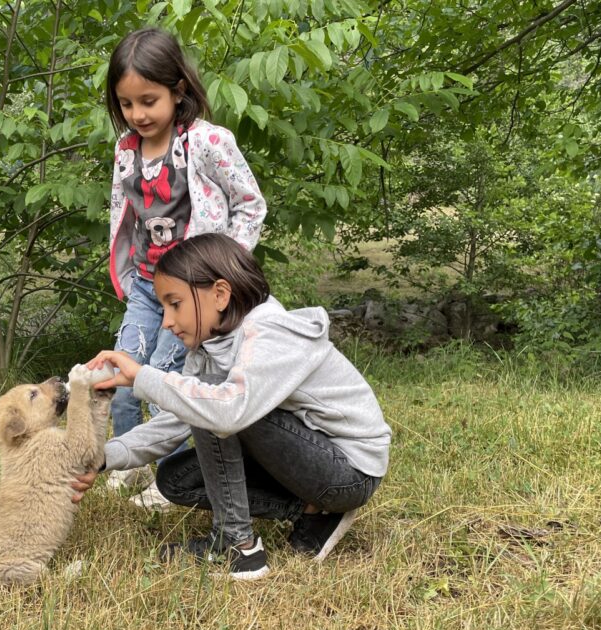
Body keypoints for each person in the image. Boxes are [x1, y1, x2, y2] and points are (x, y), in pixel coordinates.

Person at [76, 234, 391, 581]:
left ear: (221, 295)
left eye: (174, 303)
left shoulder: (270, 331)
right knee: (175, 480)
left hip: (349, 473)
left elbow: (227, 413)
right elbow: (175, 422)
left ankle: (238, 547)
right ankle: (314, 512)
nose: (166, 320)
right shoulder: (209, 348)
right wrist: (101, 457)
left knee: (215, 406)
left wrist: (143, 377)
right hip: (307, 461)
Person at [102, 27, 267, 510]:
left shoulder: (209, 141)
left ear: (178, 89)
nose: (138, 114)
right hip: (145, 286)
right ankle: (131, 464)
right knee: (124, 375)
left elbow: (250, 204)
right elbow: (124, 213)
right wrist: (126, 272)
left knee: (170, 384)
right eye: (127, 104)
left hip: (190, 293)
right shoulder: (126, 150)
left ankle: (168, 481)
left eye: (149, 100)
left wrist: (224, 267)